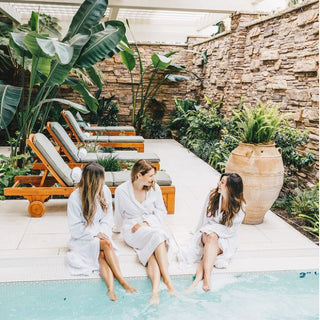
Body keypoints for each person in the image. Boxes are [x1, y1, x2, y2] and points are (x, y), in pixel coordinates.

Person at [67, 163, 136, 301]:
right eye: (102, 179)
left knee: (102, 256)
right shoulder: (75, 198)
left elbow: (108, 217)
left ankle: (110, 290)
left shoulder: (104, 191)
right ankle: (122, 281)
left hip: (101, 233)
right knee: (107, 245)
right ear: (94, 181)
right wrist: (95, 233)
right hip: (83, 237)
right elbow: (75, 228)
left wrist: (102, 232)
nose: (104, 182)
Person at [114, 159, 176, 305]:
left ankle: (155, 292)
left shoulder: (155, 188)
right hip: (133, 230)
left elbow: (161, 212)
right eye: (150, 176)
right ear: (138, 175)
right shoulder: (121, 191)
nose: (153, 179)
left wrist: (146, 222)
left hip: (150, 225)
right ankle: (167, 280)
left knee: (152, 255)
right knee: (158, 236)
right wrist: (117, 230)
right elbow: (118, 215)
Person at [178, 173, 245, 292]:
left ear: (231, 188)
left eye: (222, 182)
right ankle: (207, 278)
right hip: (207, 233)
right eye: (220, 181)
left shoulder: (240, 206)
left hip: (226, 239)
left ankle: (197, 279)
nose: (219, 184)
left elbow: (230, 231)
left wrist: (213, 230)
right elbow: (205, 220)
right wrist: (204, 231)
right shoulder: (212, 195)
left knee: (210, 248)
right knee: (211, 238)